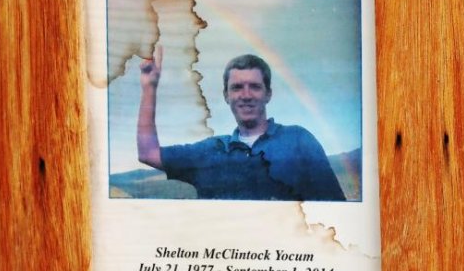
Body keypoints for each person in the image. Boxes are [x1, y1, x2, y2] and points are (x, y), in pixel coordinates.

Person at [137, 48, 346, 201]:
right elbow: (148, 153)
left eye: (254, 86)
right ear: (226, 96)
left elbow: (333, 209)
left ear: (268, 94)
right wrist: (149, 87)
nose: (246, 95)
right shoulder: (209, 151)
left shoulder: (299, 141)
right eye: (237, 87)